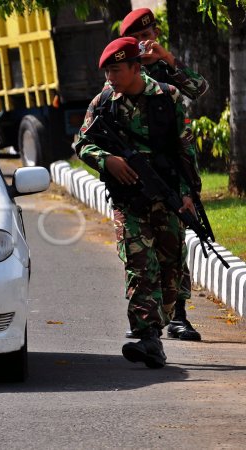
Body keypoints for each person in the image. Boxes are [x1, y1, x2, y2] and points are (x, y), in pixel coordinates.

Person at [74, 37, 199, 369]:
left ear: (135, 67)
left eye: (116, 70)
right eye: (108, 71)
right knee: (139, 264)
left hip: (166, 194)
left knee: (171, 266)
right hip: (128, 200)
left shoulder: (168, 98)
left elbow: (185, 151)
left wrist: (188, 194)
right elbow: (82, 143)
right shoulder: (103, 102)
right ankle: (148, 336)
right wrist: (107, 160)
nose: (111, 77)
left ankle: (161, 322)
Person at [120, 7, 208, 341]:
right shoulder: (122, 71)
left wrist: (169, 60)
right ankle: (144, 319)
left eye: (149, 35)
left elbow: (199, 89)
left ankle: (179, 316)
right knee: (139, 252)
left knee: (174, 248)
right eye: (138, 38)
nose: (145, 43)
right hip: (136, 177)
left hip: (173, 173)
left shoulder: (166, 69)